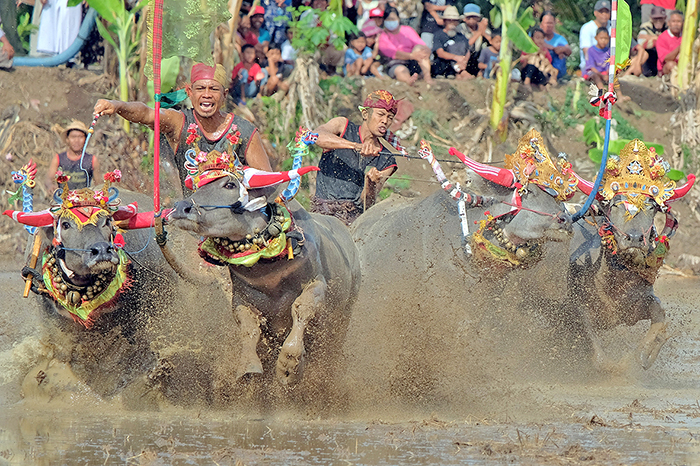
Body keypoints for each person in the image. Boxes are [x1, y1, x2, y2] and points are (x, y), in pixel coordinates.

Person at [93, 63, 273, 193]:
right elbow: (147, 114)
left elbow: (268, 183)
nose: (207, 95)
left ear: (224, 95)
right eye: (201, 88)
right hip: (194, 218)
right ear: (190, 92)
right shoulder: (179, 122)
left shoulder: (243, 130)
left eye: (214, 89)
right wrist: (117, 105)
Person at [311, 90, 403, 225]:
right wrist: (355, 146)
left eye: (390, 117)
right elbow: (316, 136)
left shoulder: (387, 159)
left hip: (352, 219)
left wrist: (371, 184)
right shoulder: (343, 126)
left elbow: (368, 203)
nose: (385, 121)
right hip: (322, 212)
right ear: (366, 114)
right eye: (381, 114)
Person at [378, 6, 433, 85]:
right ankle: (409, 81)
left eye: (393, 19)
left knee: (420, 50)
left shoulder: (407, 30)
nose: (391, 21)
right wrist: (412, 55)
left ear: (398, 19)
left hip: (414, 61)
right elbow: (394, 53)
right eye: (388, 19)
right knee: (400, 70)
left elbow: (420, 44)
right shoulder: (383, 36)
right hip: (396, 63)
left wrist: (422, 52)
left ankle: (428, 78)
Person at [45, 120, 100, 191]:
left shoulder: (91, 160)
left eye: (80, 137)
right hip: (64, 199)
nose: (76, 140)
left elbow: (99, 184)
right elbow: (49, 179)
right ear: (67, 139)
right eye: (73, 137)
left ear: (85, 139)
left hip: (84, 199)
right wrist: (50, 186)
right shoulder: (59, 159)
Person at [431, 5, 472, 79]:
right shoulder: (438, 35)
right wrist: (456, 58)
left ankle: (460, 72)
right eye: (449, 20)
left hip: (459, 64)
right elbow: (440, 53)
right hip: (443, 65)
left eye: (454, 20)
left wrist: (464, 61)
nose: (452, 22)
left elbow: (467, 51)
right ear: (444, 21)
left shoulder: (461, 37)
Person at [626, 6, 667, 77]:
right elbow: (642, 43)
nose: (658, 21)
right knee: (643, 53)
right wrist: (660, 40)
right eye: (655, 19)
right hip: (649, 57)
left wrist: (653, 39)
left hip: (662, 56)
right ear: (651, 18)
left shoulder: (668, 28)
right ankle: (629, 74)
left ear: (665, 18)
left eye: (660, 19)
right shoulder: (646, 27)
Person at [458, 4, 491, 78]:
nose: (472, 19)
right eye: (469, 17)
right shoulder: (460, 28)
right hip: (465, 55)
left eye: (474, 17)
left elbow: (492, 42)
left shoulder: (484, 28)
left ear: (479, 18)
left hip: (478, 56)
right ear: (464, 18)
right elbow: (467, 44)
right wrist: (479, 32)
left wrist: (483, 32)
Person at [579, 1, 610, 72]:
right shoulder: (586, 28)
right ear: (595, 13)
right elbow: (586, 52)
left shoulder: (614, 27)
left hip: (607, 66)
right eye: (601, 12)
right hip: (591, 66)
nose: (604, 15)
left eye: (606, 12)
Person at [540, 11, 571, 81]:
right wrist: (553, 48)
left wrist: (562, 49)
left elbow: (569, 51)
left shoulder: (560, 39)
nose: (548, 25)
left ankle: (554, 76)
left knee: (561, 52)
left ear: (554, 24)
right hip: (539, 66)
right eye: (546, 23)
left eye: (551, 23)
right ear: (541, 24)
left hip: (555, 68)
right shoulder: (535, 35)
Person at [656, 10, 683, 76]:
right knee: (671, 65)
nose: (676, 24)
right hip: (666, 68)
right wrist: (680, 48)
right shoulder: (662, 38)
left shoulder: (686, 36)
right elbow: (667, 59)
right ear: (668, 23)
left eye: (679, 21)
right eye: (673, 21)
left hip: (684, 65)